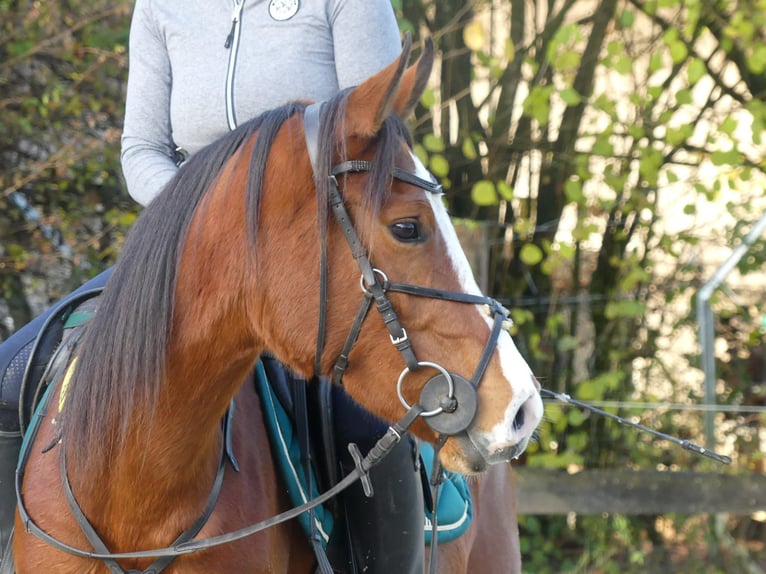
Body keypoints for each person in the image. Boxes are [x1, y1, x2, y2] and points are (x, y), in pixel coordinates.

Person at [0, 1, 425, 572]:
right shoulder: (161, 7)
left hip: (308, 253)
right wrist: (209, 222)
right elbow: (140, 151)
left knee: (367, 419)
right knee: (10, 373)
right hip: (178, 248)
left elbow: (378, 149)